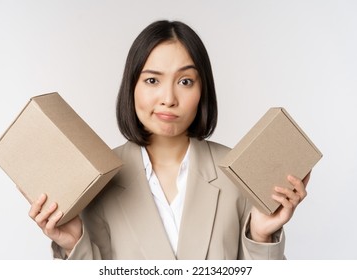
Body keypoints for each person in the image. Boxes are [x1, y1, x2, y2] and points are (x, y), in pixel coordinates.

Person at [28, 20, 311, 260]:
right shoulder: (96, 181)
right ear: (132, 88)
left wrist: (261, 236)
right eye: (152, 81)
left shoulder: (238, 174)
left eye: (185, 81)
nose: (169, 99)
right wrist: (72, 244)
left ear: (203, 90)